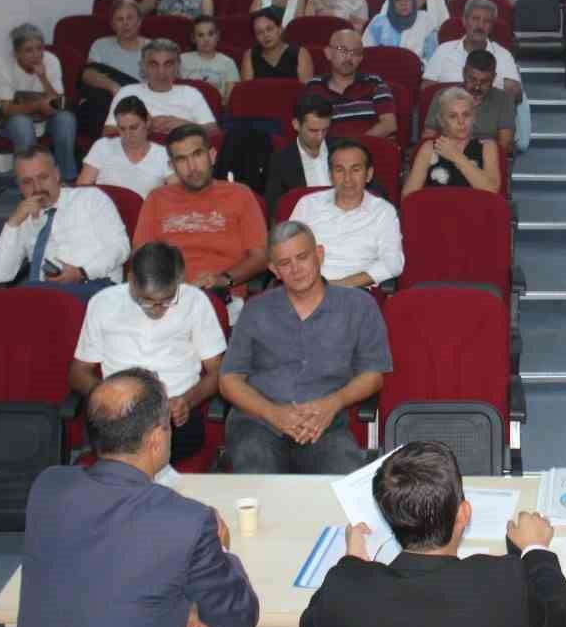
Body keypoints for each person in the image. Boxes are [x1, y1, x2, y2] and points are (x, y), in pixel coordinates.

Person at [3, 368, 259, 627]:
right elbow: (238, 616)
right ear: (156, 439)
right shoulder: (187, 521)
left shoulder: (48, 488)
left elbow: (109, 566)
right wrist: (222, 548)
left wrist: (181, 607)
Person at [300, 440, 566, 627]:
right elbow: (560, 622)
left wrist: (352, 563)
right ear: (463, 514)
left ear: (388, 517)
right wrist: (536, 549)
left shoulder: (345, 593)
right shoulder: (504, 583)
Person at [219, 221, 391, 474]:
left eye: (302, 257)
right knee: (259, 479)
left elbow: (373, 375)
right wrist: (273, 413)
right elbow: (229, 380)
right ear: (274, 270)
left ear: (319, 254)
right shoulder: (255, 310)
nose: (296, 269)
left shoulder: (359, 306)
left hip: (324, 423)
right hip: (258, 422)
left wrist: (333, 403)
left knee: (343, 480)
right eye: (285, 263)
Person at [69, 243, 226, 463]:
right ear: (131, 281)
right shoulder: (103, 303)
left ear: (179, 280)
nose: (157, 309)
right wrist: (109, 397)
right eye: (148, 301)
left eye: (167, 300)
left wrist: (188, 400)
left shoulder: (195, 302)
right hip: (118, 413)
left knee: (142, 454)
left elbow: (219, 372)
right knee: (124, 452)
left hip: (173, 414)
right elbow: (78, 374)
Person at [134, 125, 268, 298]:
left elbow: (260, 257)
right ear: (171, 166)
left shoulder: (240, 194)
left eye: (197, 155)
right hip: (168, 295)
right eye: (181, 160)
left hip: (221, 294)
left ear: (212, 155)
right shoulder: (156, 198)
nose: (192, 167)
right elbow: (141, 257)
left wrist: (223, 279)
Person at [0, 146, 129, 297]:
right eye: (27, 182)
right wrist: (13, 222)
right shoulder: (23, 218)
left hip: (95, 288)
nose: (37, 187)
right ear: (19, 186)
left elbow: (120, 247)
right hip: (46, 294)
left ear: (56, 174)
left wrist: (82, 272)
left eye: (43, 177)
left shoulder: (91, 199)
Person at [289, 140, 404, 288]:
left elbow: (393, 264)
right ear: (330, 175)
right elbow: (287, 250)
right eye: (339, 170)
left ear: (368, 174)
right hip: (306, 287)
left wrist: (342, 284)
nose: (347, 178)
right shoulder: (308, 204)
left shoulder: (383, 212)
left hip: (355, 290)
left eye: (355, 170)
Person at [423, 0, 528, 152]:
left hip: (488, 128)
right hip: (448, 129)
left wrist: (479, 88)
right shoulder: (443, 50)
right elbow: (426, 90)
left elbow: (515, 92)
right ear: (465, 21)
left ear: (492, 26)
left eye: (487, 21)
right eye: (475, 19)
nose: (480, 25)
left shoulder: (503, 55)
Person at [0, 22, 79, 182]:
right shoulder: (6, 64)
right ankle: (29, 181)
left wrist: (43, 78)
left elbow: (59, 104)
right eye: (28, 50)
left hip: (46, 118)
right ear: (17, 53)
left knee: (66, 119)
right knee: (22, 124)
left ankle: (67, 180)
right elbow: (6, 109)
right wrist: (37, 105)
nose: (36, 55)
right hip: (15, 119)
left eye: (40, 48)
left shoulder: (51, 61)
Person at [104, 40, 219, 141]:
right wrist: (143, 126)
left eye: (168, 64)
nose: (161, 72)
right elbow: (108, 133)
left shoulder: (191, 93)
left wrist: (185, 126)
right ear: (143, 66)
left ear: (177, 67)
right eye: (153, 64)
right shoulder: (127, 92)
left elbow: (215, 132)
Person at [403, 87, 501, 195]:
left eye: (466, 115)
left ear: (473, 117)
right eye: (453, 116)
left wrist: (456, 156)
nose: (461, 121)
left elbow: (492, 192)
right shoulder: (429, 148)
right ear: (441, 121)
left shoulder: (487, 146)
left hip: (476, 206)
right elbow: (408, 197)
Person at [421, 49, 515, 161]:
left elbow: (504, 146)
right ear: (463, 73)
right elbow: (428, 136)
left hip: (486, 160)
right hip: (445, 156)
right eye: (472, 79)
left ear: (494, 78)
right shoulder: (443, 96)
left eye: (484, 82)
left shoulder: (504, 100)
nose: (477, 87)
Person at [303, 29, 396, 137]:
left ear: (361, 58)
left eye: (355, 52)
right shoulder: (315, 87)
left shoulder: (374, 83)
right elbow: (311, 130)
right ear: (328, 53)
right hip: (331, 146)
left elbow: (389, 125)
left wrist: (355, 145)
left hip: (370, 145)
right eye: (342, 50)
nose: (349, 57)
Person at [78, 0, 149, 138]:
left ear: (139, 21)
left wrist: (123, 93)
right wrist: (113, 87)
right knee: (92, 80)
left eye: (130, 18)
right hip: (106, 102)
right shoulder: (100, 45)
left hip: (138, 104)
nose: (125, 23)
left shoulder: (152, 47)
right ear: (112, 24)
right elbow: (87, 76)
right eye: (119, 19)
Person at [76, 95, 172, 199]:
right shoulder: (103, 146)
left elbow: (176, 195)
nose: (128, 135)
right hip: (101, 208)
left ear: (147, 122)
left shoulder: (164, 154)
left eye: (134, 127)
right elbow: (81, 190)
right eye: (122, 129)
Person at [263, 96, 334, 217]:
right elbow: (275, 209)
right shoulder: (280, 161)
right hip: (304, 222)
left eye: (325, 130)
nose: (320, 137)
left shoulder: (344, 149)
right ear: (296, 124)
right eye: (313, 130)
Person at [364, 0, 440, 61]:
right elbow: (366, 53)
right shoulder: (378, 22)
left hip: (416, 68)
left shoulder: (426, 21)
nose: (403, 3)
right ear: (391, 3)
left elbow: (432, 59)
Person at [239, 6, 312, 83]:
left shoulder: (300, 53)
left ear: (280, 29)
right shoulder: (250, 55)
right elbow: (247, 88)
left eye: (269, 29)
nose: (266, 35)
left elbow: (307, 88)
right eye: (259, 32)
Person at [181, 16, 240, 103]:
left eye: (210, 34)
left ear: (218, 36)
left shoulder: (228, 63)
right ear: (193, 39)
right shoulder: (181, 60)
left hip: (215, 108)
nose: (206, 39)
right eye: (200, 35)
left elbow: (229, 99)